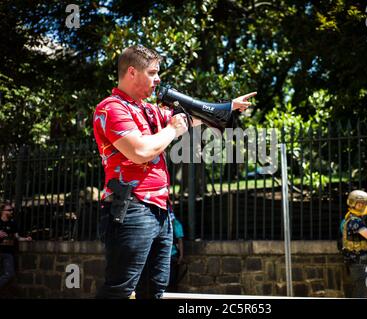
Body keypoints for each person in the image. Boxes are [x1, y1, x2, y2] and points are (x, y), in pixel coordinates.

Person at [93, 45, 256, 299]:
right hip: (132, 208)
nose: (158, 79)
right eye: (153, 72)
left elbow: (193, 116)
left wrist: (228, 107)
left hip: (162, 211)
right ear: (133, 72)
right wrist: (171, 130)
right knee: (120, 290)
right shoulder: (111, 108)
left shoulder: (148, 109)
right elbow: (140, 151)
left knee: (153, 291)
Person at [0, 202, 32, 290]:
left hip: (8, 253)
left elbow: (17, 237)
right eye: (9, 210)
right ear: (3, 211)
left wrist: (26, 239)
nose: (11, 212)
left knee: (9, 274)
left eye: (12, 210)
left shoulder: (12, 224)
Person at [167, 207, 184, 292]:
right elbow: (180, 240)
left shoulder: (176, 224)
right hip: (170, 255)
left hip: (172, 255)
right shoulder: (176, 223)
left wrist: (181, 256)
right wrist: (181, 255)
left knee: (171, 279)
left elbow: (180, 241)